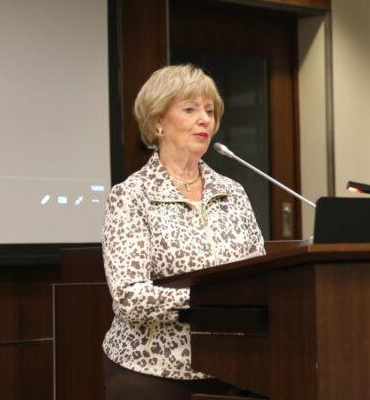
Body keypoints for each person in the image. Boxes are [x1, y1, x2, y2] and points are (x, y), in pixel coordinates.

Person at [101, 64, 266, 399]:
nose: (204, 119)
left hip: (235, 367)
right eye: (190, 110)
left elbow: (259, 272)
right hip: (153, 372)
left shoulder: (233, 192)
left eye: (209, 111)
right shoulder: (131, 195)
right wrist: (211, 302)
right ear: (157, 121)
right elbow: (129, 296)